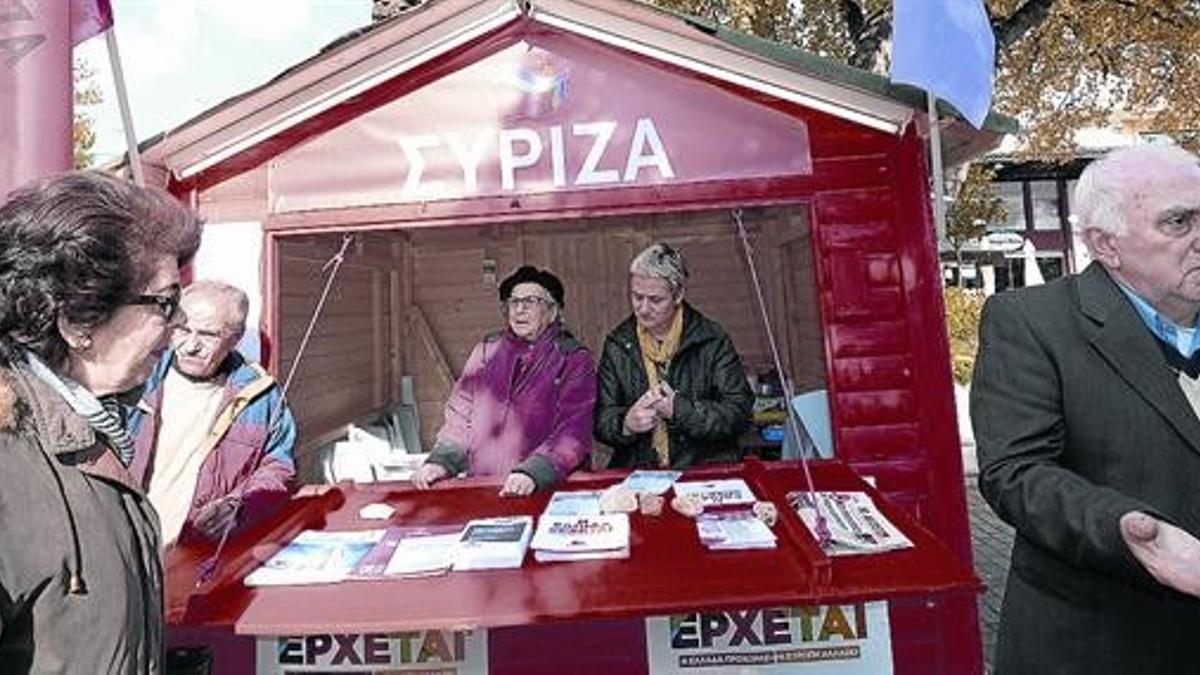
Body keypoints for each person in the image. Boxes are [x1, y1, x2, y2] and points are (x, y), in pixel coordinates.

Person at [971, 145, 1200, 674]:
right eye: (1178, 221)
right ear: (1106, 245)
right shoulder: (1031, 322)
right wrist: (1121, 528)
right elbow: (1016, 473)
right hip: (1101, 642)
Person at [0, 171, 201, 673]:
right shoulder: (10, 459)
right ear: (76, 321)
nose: (180, 324)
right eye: (165, 302)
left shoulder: (91, 428)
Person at [127, 280, 297, 546]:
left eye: (207, 334)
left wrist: (239, 507)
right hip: (128, 546)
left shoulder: (261, 396)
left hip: (198, 552)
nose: (190, 345)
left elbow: (278, 468)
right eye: (182, 330)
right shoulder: (135, 379)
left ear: (235, 338)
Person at [412, 265, 597, 496]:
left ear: (553, 311)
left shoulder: (573, 358)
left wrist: (534, 472)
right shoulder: (486, 351)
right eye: (514, 302)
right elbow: (460, 415)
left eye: (530, 301)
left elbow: (574, 430)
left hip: (545, 488)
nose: (519, 309)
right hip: (485, 487)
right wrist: (440, 461)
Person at [594, 243, 753, 469]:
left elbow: (739, 413)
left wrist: (680, 410)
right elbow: (601, 419)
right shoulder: (618, 343)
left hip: (702, 472)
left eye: (655, 300)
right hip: (641, 475)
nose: (644, 308)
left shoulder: (712, 339)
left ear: (678, 295)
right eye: (637, 297)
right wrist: (626, 424)